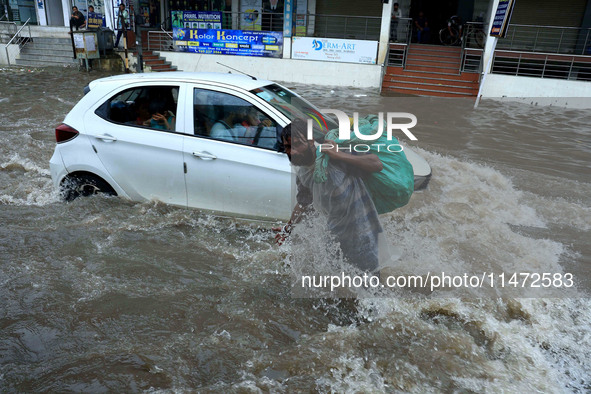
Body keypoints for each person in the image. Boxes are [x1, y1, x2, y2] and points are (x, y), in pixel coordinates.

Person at [273, 119, 384, 273]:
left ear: (311, 141)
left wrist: (338, 155)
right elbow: (304, 203)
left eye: (297, 144)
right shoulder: (304, 172)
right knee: (339, 283)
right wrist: (288, 228)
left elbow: (376, 163)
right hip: (334, 236)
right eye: (287, 147)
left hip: (363, 233)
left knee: (372, 287)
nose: (292, 152)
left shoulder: (333, 153)